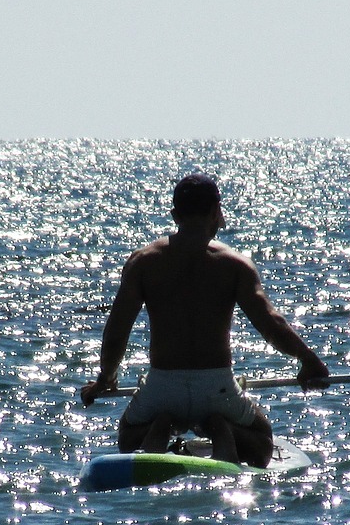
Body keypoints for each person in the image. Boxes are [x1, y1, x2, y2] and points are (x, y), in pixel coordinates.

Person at [79, 173, 328, 467]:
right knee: (262, 440)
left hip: (162, 387)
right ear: (216, 212)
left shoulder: (143, 262)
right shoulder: (235, 264)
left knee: (128, 437)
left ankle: (160, 427)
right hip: (217, 387)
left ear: (174, 215)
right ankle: (220, 428)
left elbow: (117, 330)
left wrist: (105, 378)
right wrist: (308, 359)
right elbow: (270, 323)